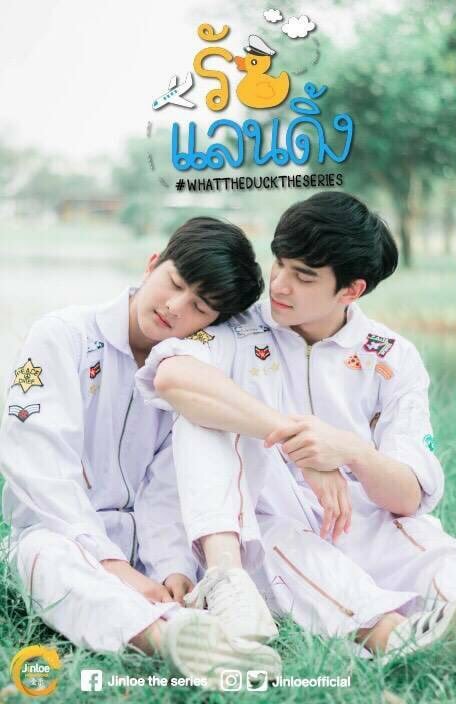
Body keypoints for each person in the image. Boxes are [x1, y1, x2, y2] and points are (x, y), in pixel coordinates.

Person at [137, 192, 456, 659]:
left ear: (351, 290)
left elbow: (408, 496)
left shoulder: (392, 357)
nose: (279, 284)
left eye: (303, 276)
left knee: (431, 550)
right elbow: (172, 377)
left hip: (356, 517)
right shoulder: (237, 328)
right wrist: (299, 442)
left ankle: (447, 617)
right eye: (280, 263)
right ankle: (393, 636)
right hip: (262, 522)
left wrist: (348, 450)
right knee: (294, 551)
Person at [0, 217, 282, 690]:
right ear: (153, 264)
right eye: (175, 283)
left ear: (212, 322)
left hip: (147, 553)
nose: (175, 307)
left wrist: (172, 567)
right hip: (62, 536)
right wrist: (111, 564)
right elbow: (39, 466)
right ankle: (169, 639)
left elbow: (168, 488)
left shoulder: (187, 374)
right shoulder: (63, 336)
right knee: (42, 560)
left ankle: (192, 627)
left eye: (199, 307)